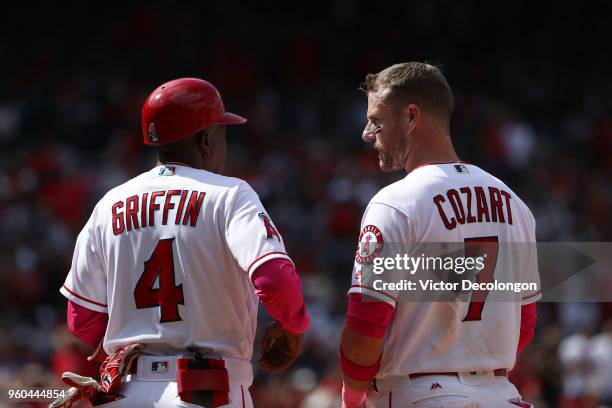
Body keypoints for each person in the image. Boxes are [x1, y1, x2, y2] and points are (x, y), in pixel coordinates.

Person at [51, 78, 310, 408]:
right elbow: (274, 279)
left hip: (125, 393)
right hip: (207, 389)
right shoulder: (230, 195)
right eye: (221, 135)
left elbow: (81, 316)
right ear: (205, 140)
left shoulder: (110, 203)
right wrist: (292, 326)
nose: (224, 146)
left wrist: (133, 340)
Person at [339, 63, 539, 407]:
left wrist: (352, 395)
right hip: (502, 396)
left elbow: (365, 330)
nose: (367, 134)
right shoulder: (514, 203)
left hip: (418, 395)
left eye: (377, 121)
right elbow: (525, 326)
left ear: (411, 117)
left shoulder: (395, 203)